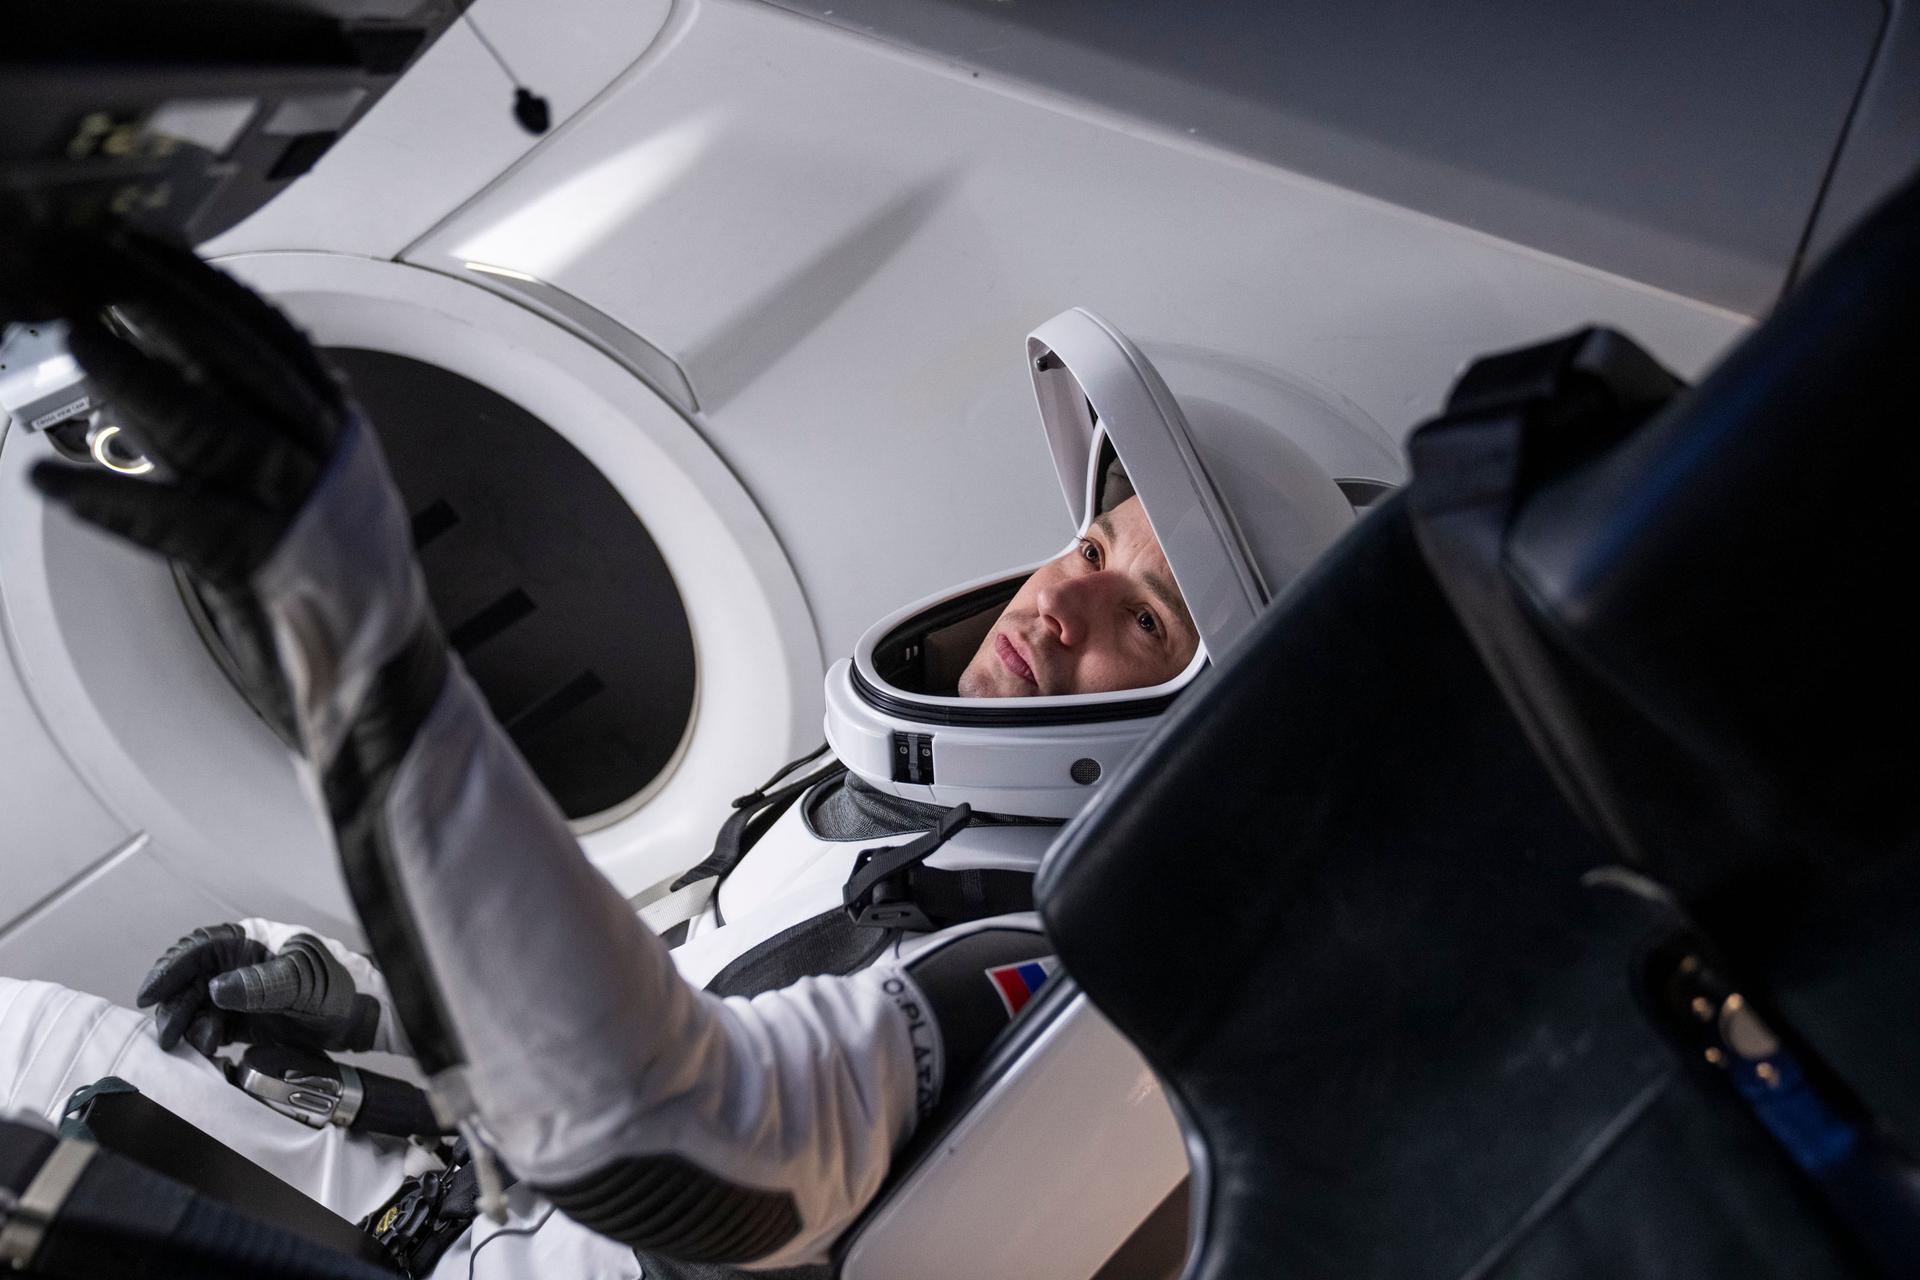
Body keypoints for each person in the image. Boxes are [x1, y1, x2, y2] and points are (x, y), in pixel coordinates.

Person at [0, 227, 1360, 1278]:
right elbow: (647, 999)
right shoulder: (883, 810)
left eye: (1142, 614)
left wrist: (365, 641)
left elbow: (692, 1149)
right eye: (1091, 541)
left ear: (1195, 722)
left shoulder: (1047, 958)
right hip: (456, 1211)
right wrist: (362, 1006)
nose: (1056, 599)